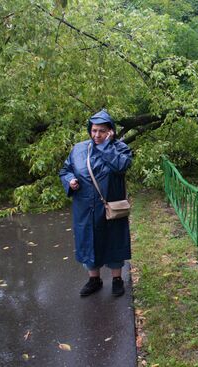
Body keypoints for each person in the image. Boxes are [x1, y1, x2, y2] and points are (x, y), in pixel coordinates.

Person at [59, 109, 132, 297]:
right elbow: (65, 170)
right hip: (84, 208)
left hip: (110, 207)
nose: (96, 135)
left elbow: (121, 166)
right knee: (88, 242)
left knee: (113, 241)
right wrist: (70, 181)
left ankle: (117, 279)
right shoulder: (79, 149)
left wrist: (106, 146)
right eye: (94, 130)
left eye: (101, 131)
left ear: (110, 131)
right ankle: (94, 280)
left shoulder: (120, 148)